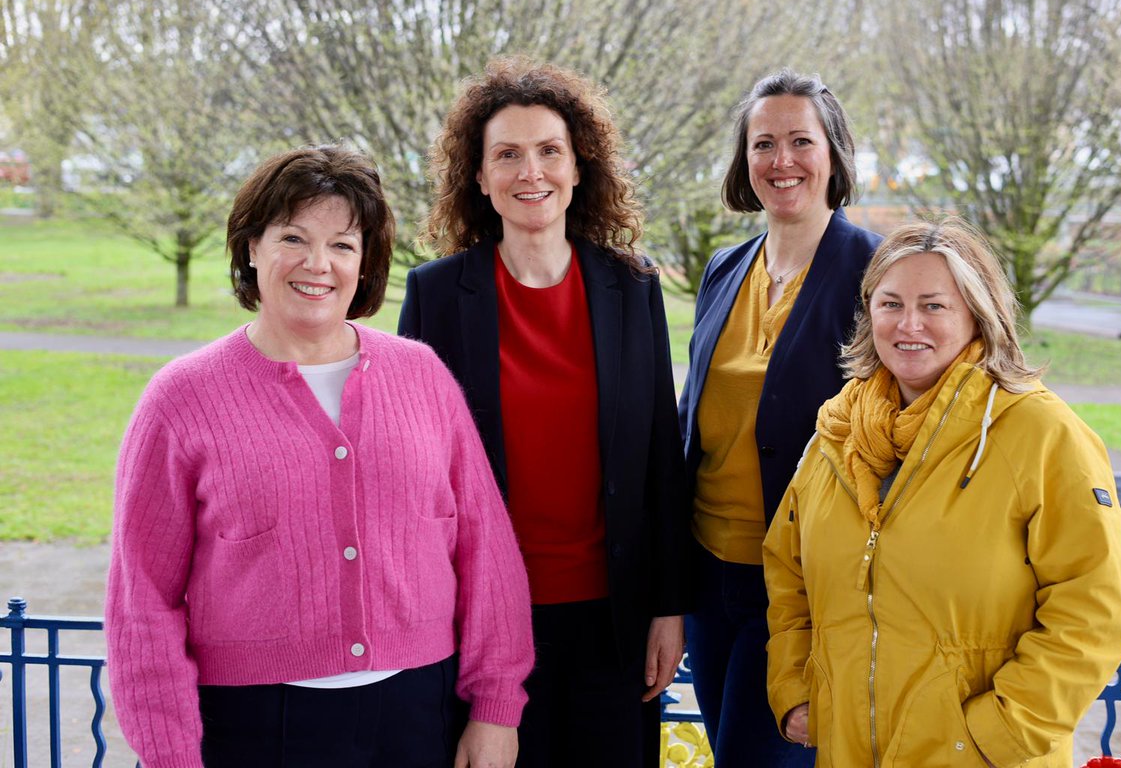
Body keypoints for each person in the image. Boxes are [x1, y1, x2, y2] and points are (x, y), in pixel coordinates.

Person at [105, 145, 534, 768]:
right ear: (251, 247)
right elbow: (141, 600)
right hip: (252, 722)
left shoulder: (422, 378)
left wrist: (496, 708)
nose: (318, 264)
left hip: (419, 712)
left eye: (343, 244)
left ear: (365, 264)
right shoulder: (181, 399)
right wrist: (170, 756)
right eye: (293, 237)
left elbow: (485, 552)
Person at [398, 56, 689, 768]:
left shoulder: (633, 288)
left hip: (613, 618)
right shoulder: (437, 296)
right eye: (507, 155)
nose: (531, 171)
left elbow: (659, 454)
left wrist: (668, 605)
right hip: (483, 625)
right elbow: (411, 473)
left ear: (578, 165)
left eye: (549, 151)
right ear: (479, 176)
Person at [763, 218, 1121, 767]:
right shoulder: (836, 432)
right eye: (890, 303)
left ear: (977, 315)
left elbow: (1093, 610)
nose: (908, 323)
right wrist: (796, 687)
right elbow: (787, 571)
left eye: (934, 305)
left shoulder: (1042, 433)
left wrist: (997, 732)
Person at [677, 69, 880, 766]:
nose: (781, 160)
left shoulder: (874, 271)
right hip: (708, 575)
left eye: (801, 140)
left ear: (834, 153)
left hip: (801, 587)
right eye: (764, 143)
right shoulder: (724, 269)